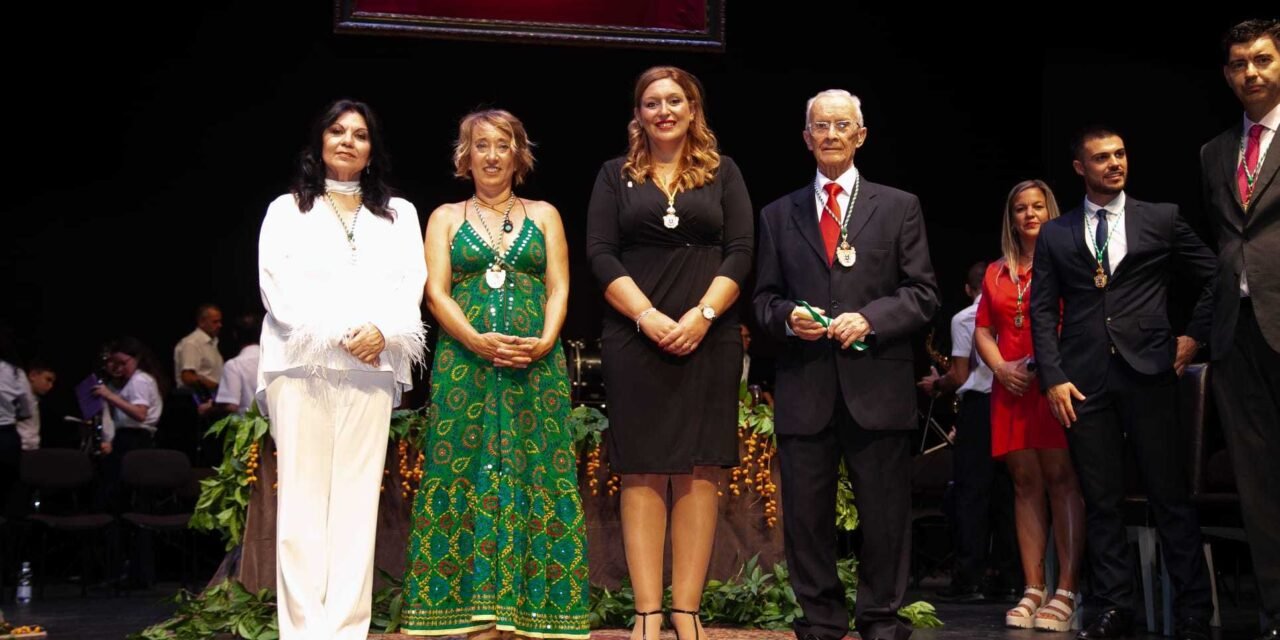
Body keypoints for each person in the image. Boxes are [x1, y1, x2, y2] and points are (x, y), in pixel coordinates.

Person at [753, 89, 938, 640]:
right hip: (805, 385)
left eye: (842, 125)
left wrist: (871, 319)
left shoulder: (899, 205)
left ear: (861, 135)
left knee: (884, 514)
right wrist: (789, 319)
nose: (831, 134)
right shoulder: (775, 214)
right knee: (807, 518)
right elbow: (762, 301)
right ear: (806, 139)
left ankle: (879, 616)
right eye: (820, 126)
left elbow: (923, 293)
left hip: (876, 384)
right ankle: (821, 619)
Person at [400, 108, 589, 640]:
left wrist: (548, 340)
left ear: (518, 154)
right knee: (466, 467)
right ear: (466, 155)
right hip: (465, 369)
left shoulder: (546, 214)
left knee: (536, 469)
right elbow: (435, 291)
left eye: (501, 144)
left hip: (536, 367)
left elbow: (559, 286)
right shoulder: (444, 217)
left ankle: (534, 611)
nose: (490, 154)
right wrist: (475, 340)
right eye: (480, 144)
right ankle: (467, 610)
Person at [586, 66, 753, 640]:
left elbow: (740, 251)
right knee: (643, 469)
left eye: (674, 101)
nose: (663, 110)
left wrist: (702, 316)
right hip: (635, 337)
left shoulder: (723, 172)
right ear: (638, 114)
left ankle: (686, 610)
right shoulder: (614, 175)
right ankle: (647, 613)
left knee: (700, 470)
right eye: (652, 102)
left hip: (710, 335)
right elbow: (602, 255)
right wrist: (650, 317)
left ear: (692, 109)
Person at [1030, 128, 1217, 640]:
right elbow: (1042, 311)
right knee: (1102, 498)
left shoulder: (1161, 217)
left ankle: (1194, 608)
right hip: (1084, 381)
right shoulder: (1057, 233)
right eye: (1101, 158)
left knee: (1169, 494)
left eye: (1120, 155)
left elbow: (1215, 276)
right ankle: (1114, 607)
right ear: (1079, 168)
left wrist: (1193, 338)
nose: (1114, 164)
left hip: (1150, 372)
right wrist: (1053, 378)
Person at [257, 98, 426, 640]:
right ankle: (303, 630)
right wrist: (338, 333)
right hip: (302, 366)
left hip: (370, 370)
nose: (348, 141)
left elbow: (411, 286)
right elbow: (276, 287)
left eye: (360, 134)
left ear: (373, 151)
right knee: (303, 503)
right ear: (319, 143)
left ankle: (347, 629)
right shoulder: (287, 210)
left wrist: (383, 332)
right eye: (337, 131)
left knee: (355, 507)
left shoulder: (399, 215)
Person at [971, 181, 1085, 631]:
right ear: (1011, 217)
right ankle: (1034, 587)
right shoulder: (996, 272)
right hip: (1010, 388)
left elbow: (1077, 323)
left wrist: (1039, 367)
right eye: (1021, 208)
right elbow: (983, 329)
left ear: (1051, 211)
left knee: (1061, 478)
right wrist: (1001, 369)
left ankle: (1067, 590)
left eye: (1038, 206)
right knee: (1024, 483)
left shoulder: (1067, 262)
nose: (1030, 214)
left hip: (1053, 384)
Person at [1200, 19, 1280, 640]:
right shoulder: (1215, 151)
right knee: (1257, 483)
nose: (1250, 72)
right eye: (1237, 64)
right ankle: (1277, 612)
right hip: (1238, 331)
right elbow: (1228, 241)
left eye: (1261, 59)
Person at [919, 261, 1016, 606]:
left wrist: (936, 384)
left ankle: (969, 578)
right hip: (1010, 404)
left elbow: (960, 376)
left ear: (967, 288)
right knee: (1007, 493)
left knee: (970, 494)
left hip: (979, 409)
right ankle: (1009, 578)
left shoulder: (964, 318)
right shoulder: (1012, 310)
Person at [174, 303, 224, 400]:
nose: (220, 325)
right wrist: (217, 386)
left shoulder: (212, 342)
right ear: (202, 322)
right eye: (215, 322)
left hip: (212, 396)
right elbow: (188, 377)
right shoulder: (192, 343)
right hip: (198, 399)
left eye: (220, 321)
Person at [214, 313, 261, 415]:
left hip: (249, 428)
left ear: (235, 334)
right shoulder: (274, 361)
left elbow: (230, 405)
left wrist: (209, 408)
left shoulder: (234, 365)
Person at [18, 362, 55, 450]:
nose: (51, 386)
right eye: (48, 379)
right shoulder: (18, 395)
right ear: (33, 375)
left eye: (52, 382)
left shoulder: (34, 398)